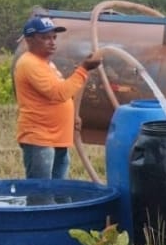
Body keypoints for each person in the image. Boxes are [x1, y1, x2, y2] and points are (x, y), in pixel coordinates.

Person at [14, 15, 103, 179]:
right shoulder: (30, 63)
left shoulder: (46, 63)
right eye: (45, 38)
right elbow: (58, 93)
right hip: (40, 139)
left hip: (57, 138)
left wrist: (72, 117)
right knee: (41, 194)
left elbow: (60, 93)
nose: (52, 42)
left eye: (54, 37)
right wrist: (83, 69)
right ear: (29, 40)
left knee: (60, 192)